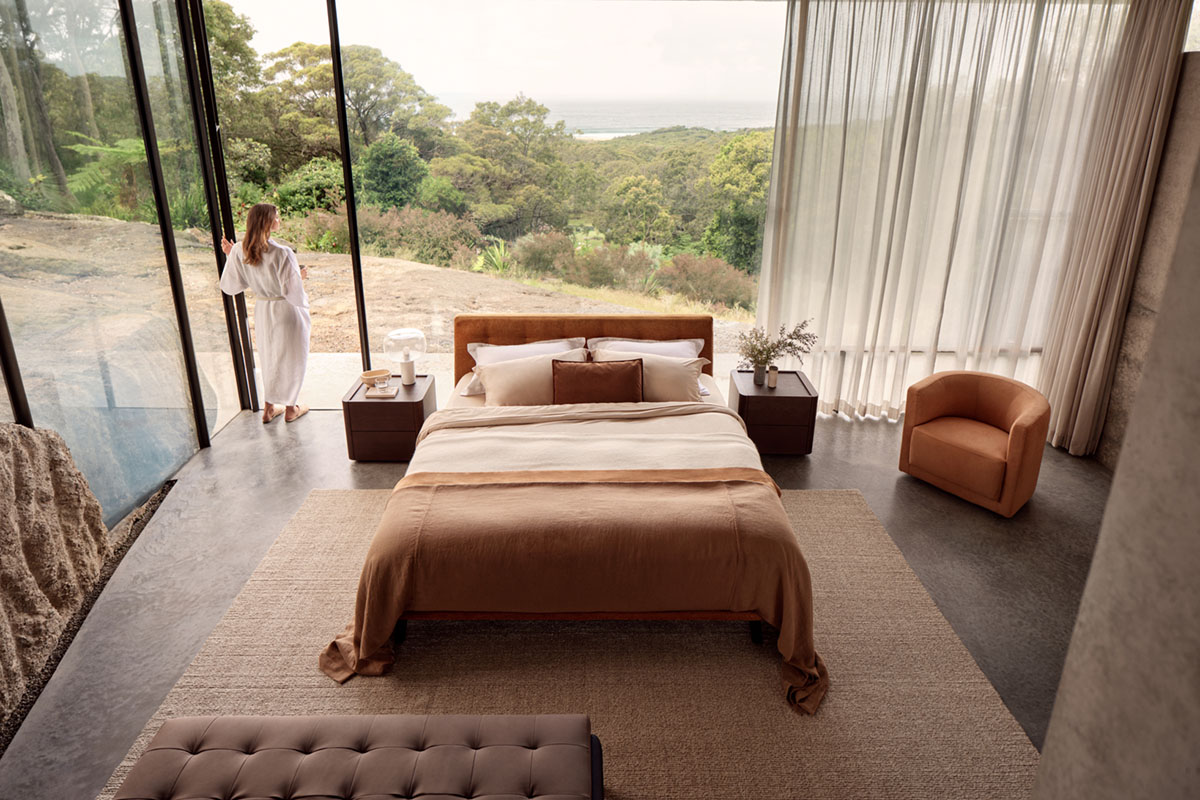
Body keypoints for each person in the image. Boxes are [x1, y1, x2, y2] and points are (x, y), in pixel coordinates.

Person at [219, 202, 311, 423]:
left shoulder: (241, 251)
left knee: (269, 357)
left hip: (263, 311)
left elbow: (232, 284)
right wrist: (301, 276)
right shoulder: (283, 253)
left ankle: (268, 409)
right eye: (276, 216)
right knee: (292, 357)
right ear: (268, 222)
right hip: (285, 310)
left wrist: (232, 255)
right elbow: (291, 290)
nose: (279, 219)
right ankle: (291, 409)